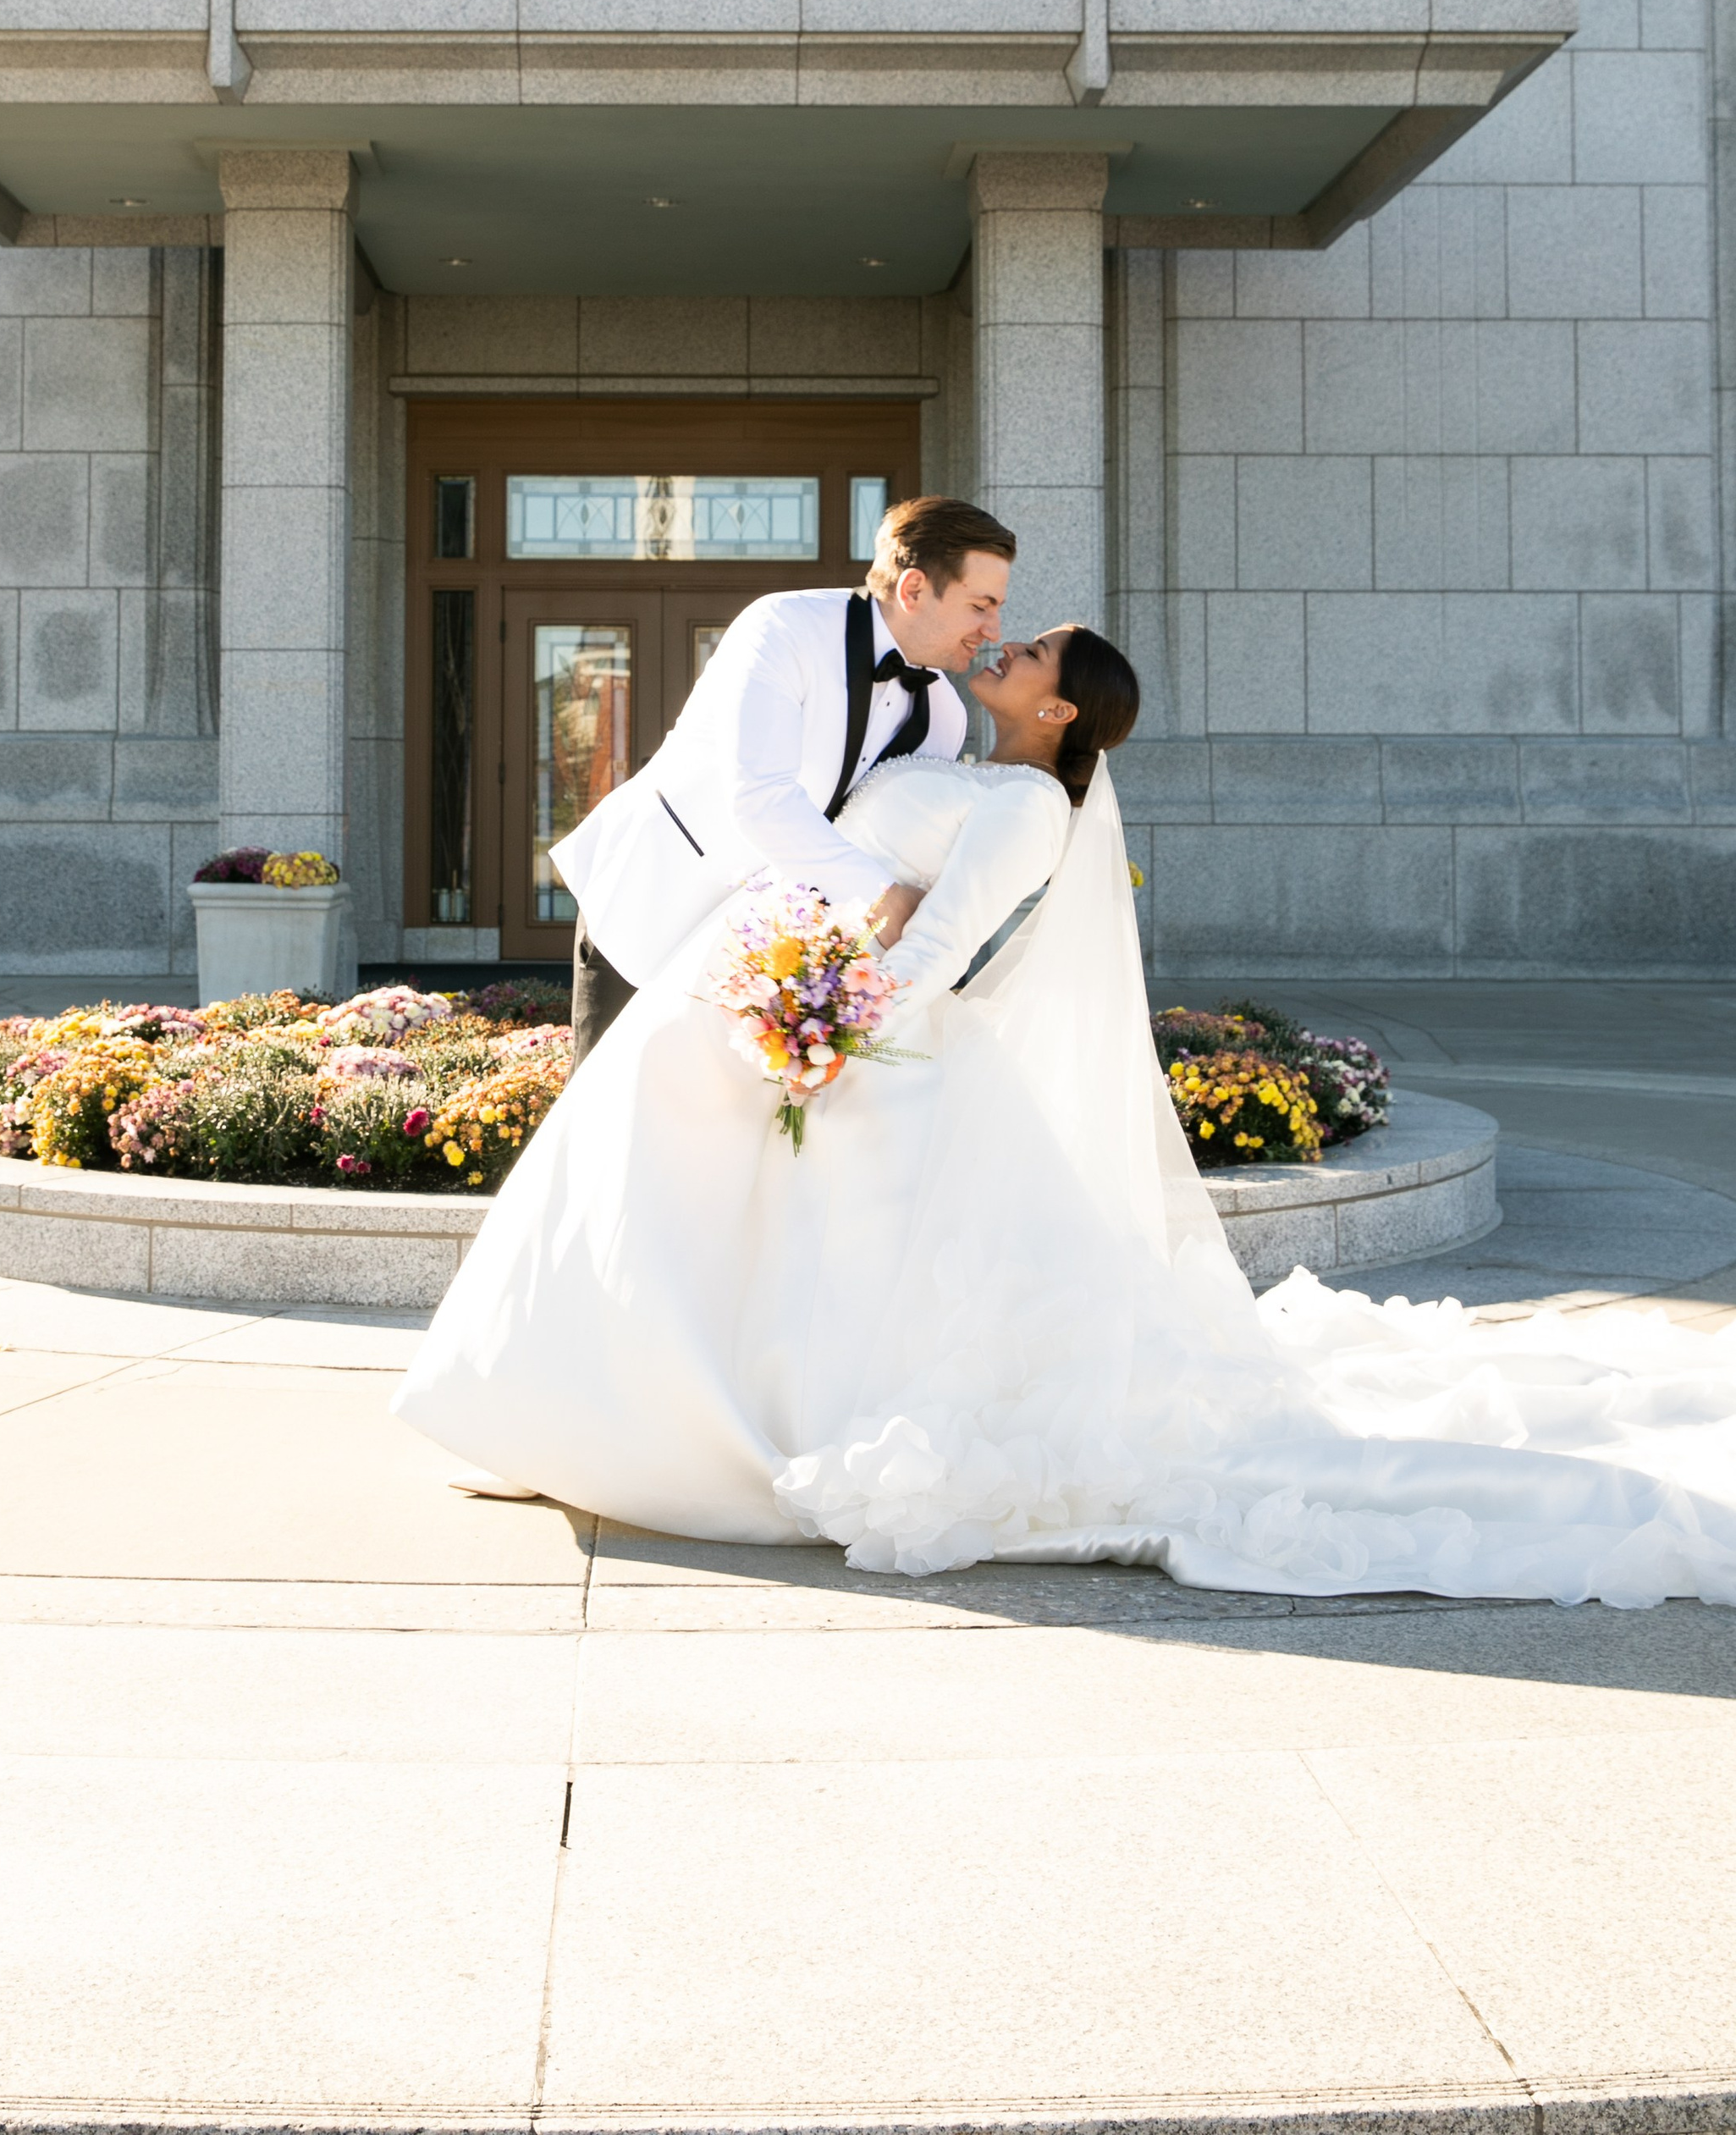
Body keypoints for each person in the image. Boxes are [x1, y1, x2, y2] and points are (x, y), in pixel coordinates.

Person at [398, 624, 1736, 1604]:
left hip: (867, 1055)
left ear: (1058, 711)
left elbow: (938, 950)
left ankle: (705, 1431)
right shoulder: (951, 749)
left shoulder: (1028, 805)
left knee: (837, 1292)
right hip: (802, 1018)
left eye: (1030, 650)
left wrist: (824, 1028)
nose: (1007, 646)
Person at [554, 494, 1015, 1069]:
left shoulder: (945, 715)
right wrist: (883, 901)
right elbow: (760, 799)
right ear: (915, 589)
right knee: (606, 1121)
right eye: (982, 604)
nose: (994, 628)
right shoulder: (784, 625)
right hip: (653, 902)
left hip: (773, 960)